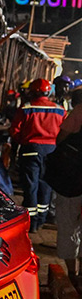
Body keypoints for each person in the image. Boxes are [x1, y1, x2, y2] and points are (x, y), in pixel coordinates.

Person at [10, 78, 66, 231]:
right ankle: (41, 219)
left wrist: (24, 141)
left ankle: (31, 222)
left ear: (33, 91)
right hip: (52, 151)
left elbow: (15, 131)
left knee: (30, 186)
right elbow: (65, 132)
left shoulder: (26, 108)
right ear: (49, 92)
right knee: (46, 185)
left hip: (31, 150)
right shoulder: (60, 110)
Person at [56, 84, 82, 275]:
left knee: (68, 224)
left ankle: (72, 274)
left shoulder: (79, 112)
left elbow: (60, 139)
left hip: (73, 180)